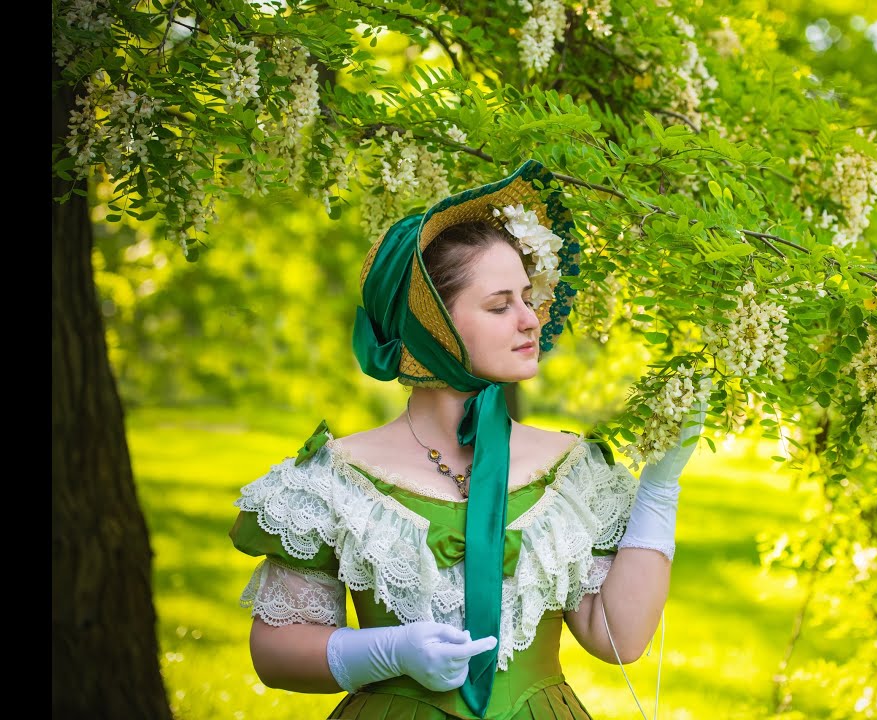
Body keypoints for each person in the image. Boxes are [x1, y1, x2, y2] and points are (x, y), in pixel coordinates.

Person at [229, 159, 706, 719]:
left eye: (528, 298)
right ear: (433, 326)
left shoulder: (573, 472)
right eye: (501, 305)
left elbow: (617, 640)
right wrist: (386, 653)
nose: (531, 320)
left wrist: (660, 487)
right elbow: (275, 654)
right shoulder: (333, 480)